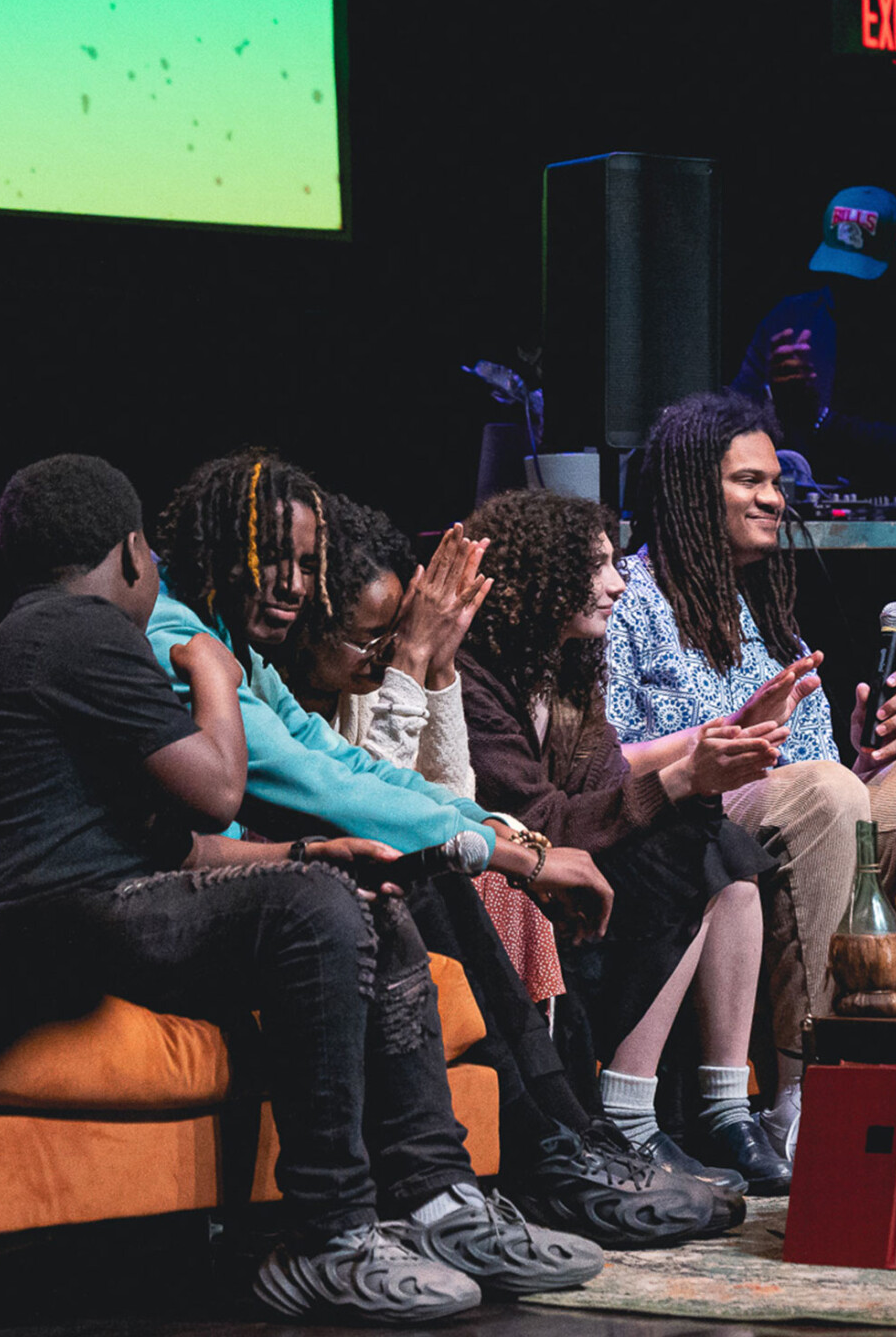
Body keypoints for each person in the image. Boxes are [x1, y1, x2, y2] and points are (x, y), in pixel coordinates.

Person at [0, 455, 600, 1326]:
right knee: (310, 904)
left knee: (359, 891)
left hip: (82, 909)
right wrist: (209, 671)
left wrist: (318, 849)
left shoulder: (63, 638)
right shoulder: (79, 633)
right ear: (134, 553)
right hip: (22, 931)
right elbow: (219, 791)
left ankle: (437, 1201)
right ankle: (328, 1235)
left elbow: (182, 845)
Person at [146, 450, 742, 1246]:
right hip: (192, 898)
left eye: (304, 565)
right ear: (213, 549)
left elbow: (343, 765)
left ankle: (569, 1141)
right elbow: (316, 788)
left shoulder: (238, 648)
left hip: (250, 886)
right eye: (271, 560)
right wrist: (520, 855)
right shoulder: (176, 640)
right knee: (425, 876)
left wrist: (505, 836)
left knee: (442, 872)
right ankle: (548, 1156)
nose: (291, 584)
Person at [603, 391, 896, 1157]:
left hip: (807, 811)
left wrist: (864, 758)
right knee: (824, 793)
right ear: (695, 489)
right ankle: (807, 1095)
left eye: (775, 483)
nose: (773, 498)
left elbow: (823, 776)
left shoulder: (766, 611)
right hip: (689, 824)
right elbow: (604, 769)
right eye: (748, 481)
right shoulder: (628, 603)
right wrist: (728, 744)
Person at [459, 489, 792, 1195]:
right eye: (598, 565)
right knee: (698, 842)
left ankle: (729, 1110)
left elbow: (605, 790)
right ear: (542, 573)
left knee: (724, 854)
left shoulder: (567, 673)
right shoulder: (474, 678)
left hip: (574, 881)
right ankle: (630, 1119)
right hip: (510, 884)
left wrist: (709, 763)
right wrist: (680, 779)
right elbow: (543, 820)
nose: (619, 582)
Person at [273, 500, 563, 1009]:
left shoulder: (359, 689)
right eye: (369, 639)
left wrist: (440, 667)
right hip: (324, 886)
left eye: (396, 634)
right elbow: (374, 815)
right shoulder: (275, 700)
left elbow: (452, 793)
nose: (384, 653)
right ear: (308, 624)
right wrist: (409, 661)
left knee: (508, 893)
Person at [731, 184, 896, 493]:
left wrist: (820, 421)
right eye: (836, 274)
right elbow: (732, 424)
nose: (846, 289)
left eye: (861, 278)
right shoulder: (791, 319)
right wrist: (771, 401)